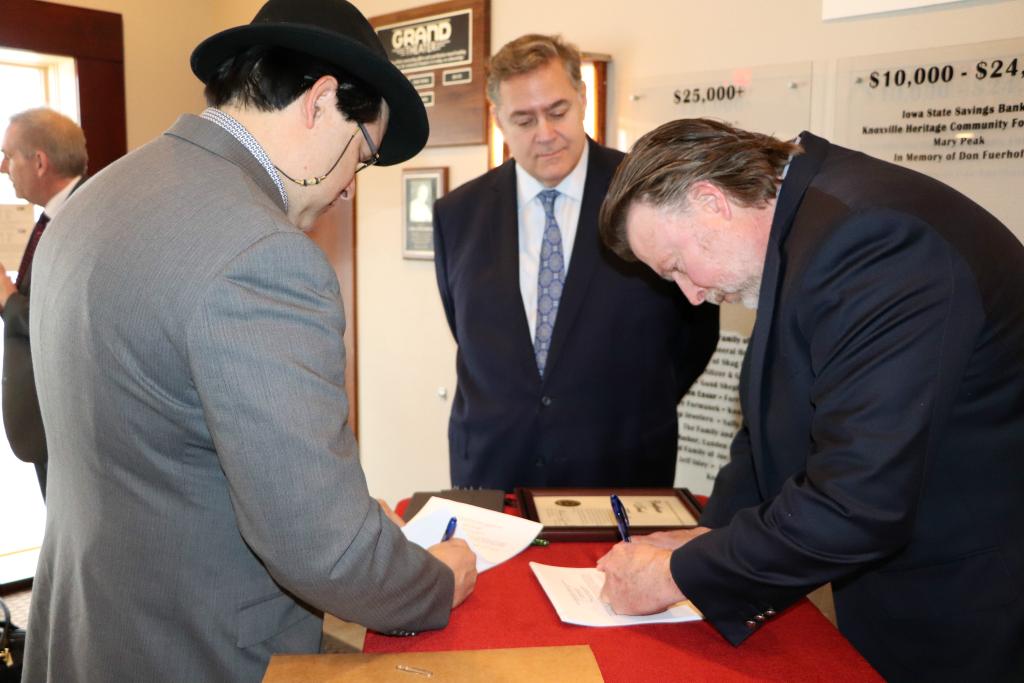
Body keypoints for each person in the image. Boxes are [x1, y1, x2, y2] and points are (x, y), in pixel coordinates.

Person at [23, 1, 476, 681]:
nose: (351, 188)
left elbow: (160, 446)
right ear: (321, 102)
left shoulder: (96, 196)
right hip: (201, 650)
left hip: (85, 634)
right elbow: (323, 550)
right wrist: (436, 580)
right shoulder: (264, 254)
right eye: (365, 153)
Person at [595, 118, 1024, 682]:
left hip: (969, 597)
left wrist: (677, 574)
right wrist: (711, 533)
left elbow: (857, 500)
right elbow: (779, 422)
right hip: (899, 582)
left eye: (676, 267)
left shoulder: (871, 244)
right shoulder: (810, 232)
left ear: (711, 202)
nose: (692, 295)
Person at [432, 35, 719, 490]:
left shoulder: (649, 195)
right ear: (498, 119)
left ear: (582, 98)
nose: (545, 134)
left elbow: (696, 331)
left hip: (622, 466)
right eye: (523, 119)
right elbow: (467, 330)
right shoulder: (457, 214)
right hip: (494, 471)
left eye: (558, 111)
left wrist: (632, 408)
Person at [0, 108, 86, 499]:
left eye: (8, 155)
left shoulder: (84, 216)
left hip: (67, 422)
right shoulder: (52, 217)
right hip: (46, 421)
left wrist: (7, 299)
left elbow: (67, 317)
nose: (3, 167)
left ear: (38, 162)